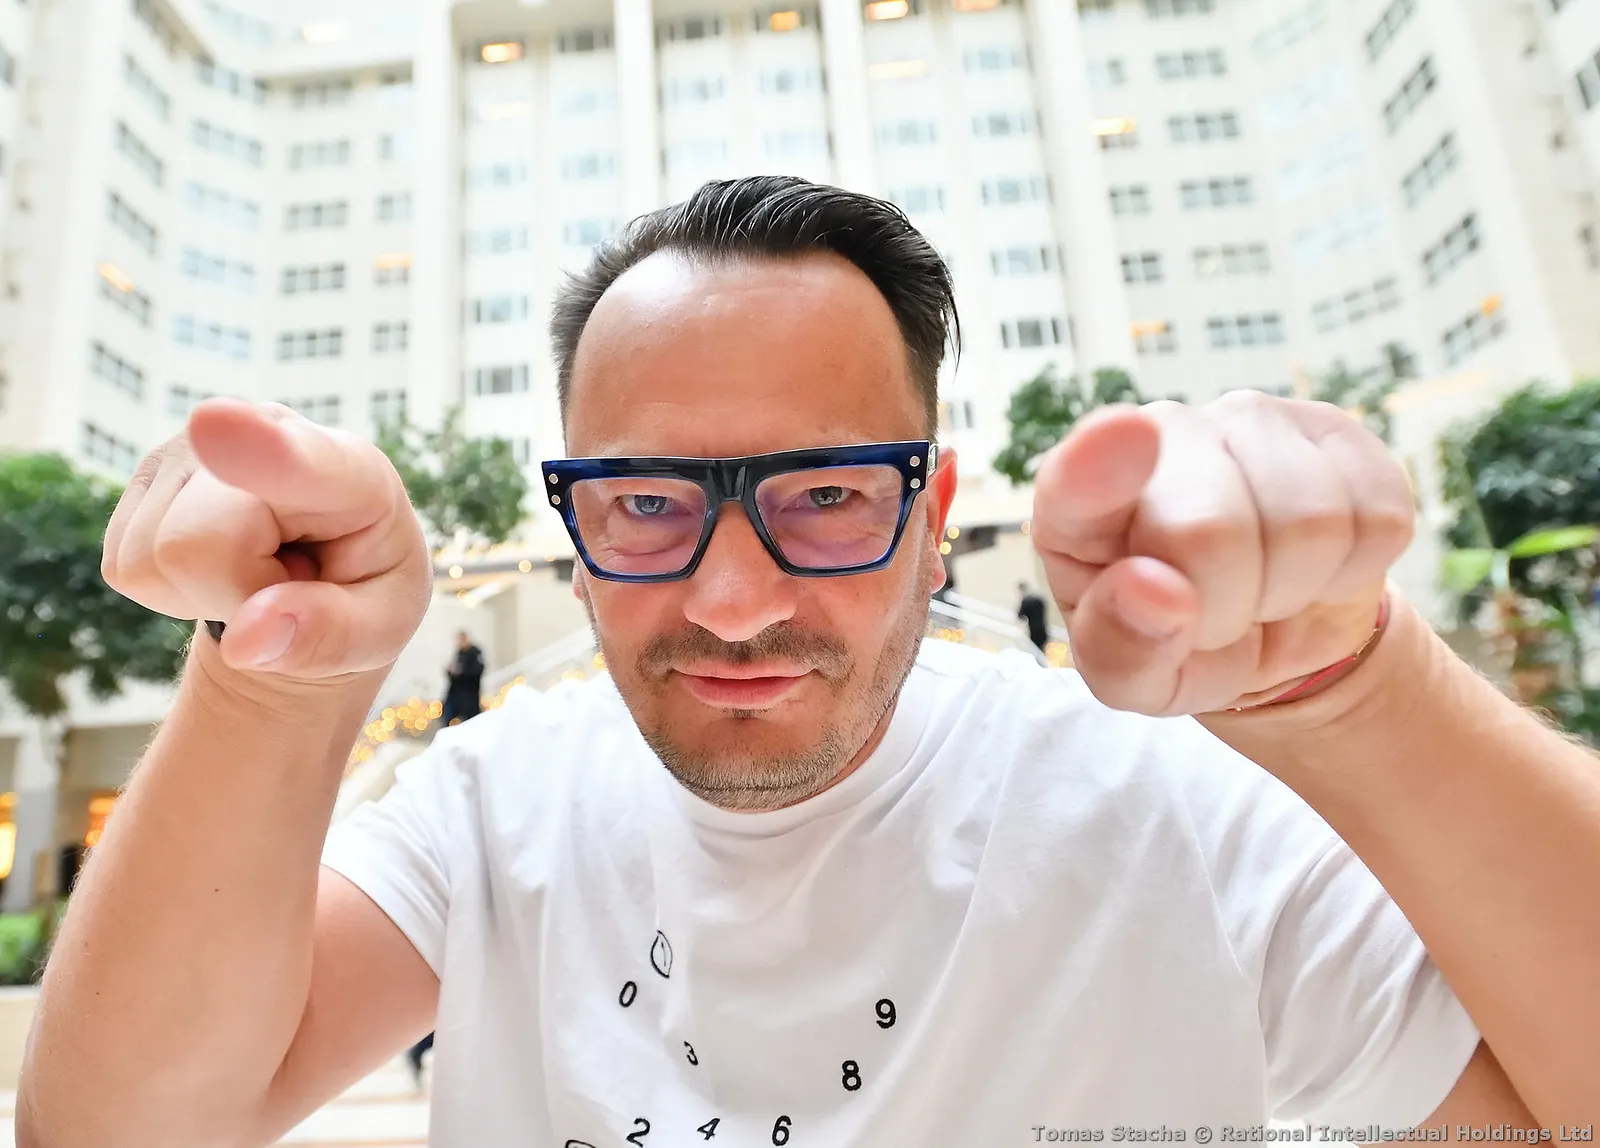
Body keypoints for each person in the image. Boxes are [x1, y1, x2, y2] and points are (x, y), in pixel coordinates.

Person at [27, 177, 1597, 1145]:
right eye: (647, 502)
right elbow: (117, 1130)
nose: (729, 601)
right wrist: (270, 677)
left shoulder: (1162, 810)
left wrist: (1359, 693)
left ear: (935, 516)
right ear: (574, 523)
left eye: (827, 495)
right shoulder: (494, 807)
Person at [439, 630, 485, 727]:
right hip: (455, 692)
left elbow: (477, 671)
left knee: (470, 721)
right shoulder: (459, 653)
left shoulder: (475, 653)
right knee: (447, 714)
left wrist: (461, 672)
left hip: (469, 694)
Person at [1017, 581, 1049, 653]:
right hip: (1043, 629)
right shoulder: (1039, 599)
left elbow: (1020, 615)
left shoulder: (1026, 601)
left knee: (1034, 651)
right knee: (1041, 651)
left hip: (1033, 631)